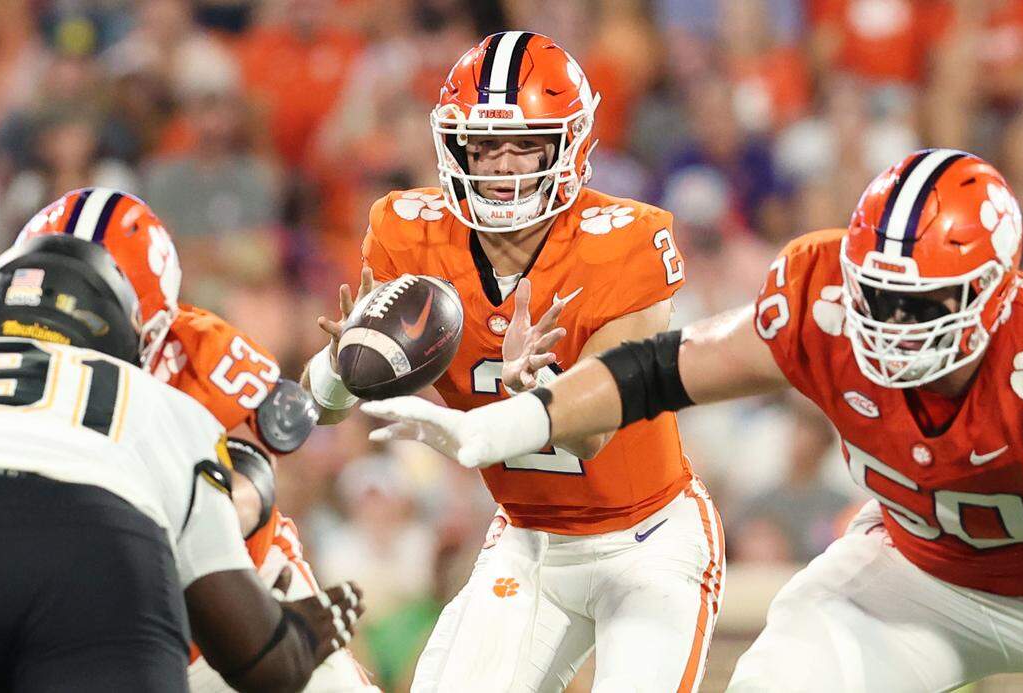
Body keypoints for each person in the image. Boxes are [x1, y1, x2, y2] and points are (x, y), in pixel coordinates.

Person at [364, 149, 1023, 690]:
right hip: (917, 570)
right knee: (783, 675)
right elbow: (657, 371)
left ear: (997, 291)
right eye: (876, 293)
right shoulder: (820, 301)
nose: (890, 324)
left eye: (921, 304)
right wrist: (515, 423)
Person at [304, 31, 723, 692]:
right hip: (528, 537)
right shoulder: (409, 233)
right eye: (485, 144)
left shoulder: (628, 240)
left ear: (570, 143)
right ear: (454, 145)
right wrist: (340, 366)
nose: (502, 166)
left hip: (647, 539)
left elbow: (593, 426)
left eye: (525, 143)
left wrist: (544, 388)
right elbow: (324, 409)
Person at [0, 187, 379, 692]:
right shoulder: (163, 402)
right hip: (109, 581)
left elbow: (253, 472)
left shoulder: (198, 354)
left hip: (211, 590)